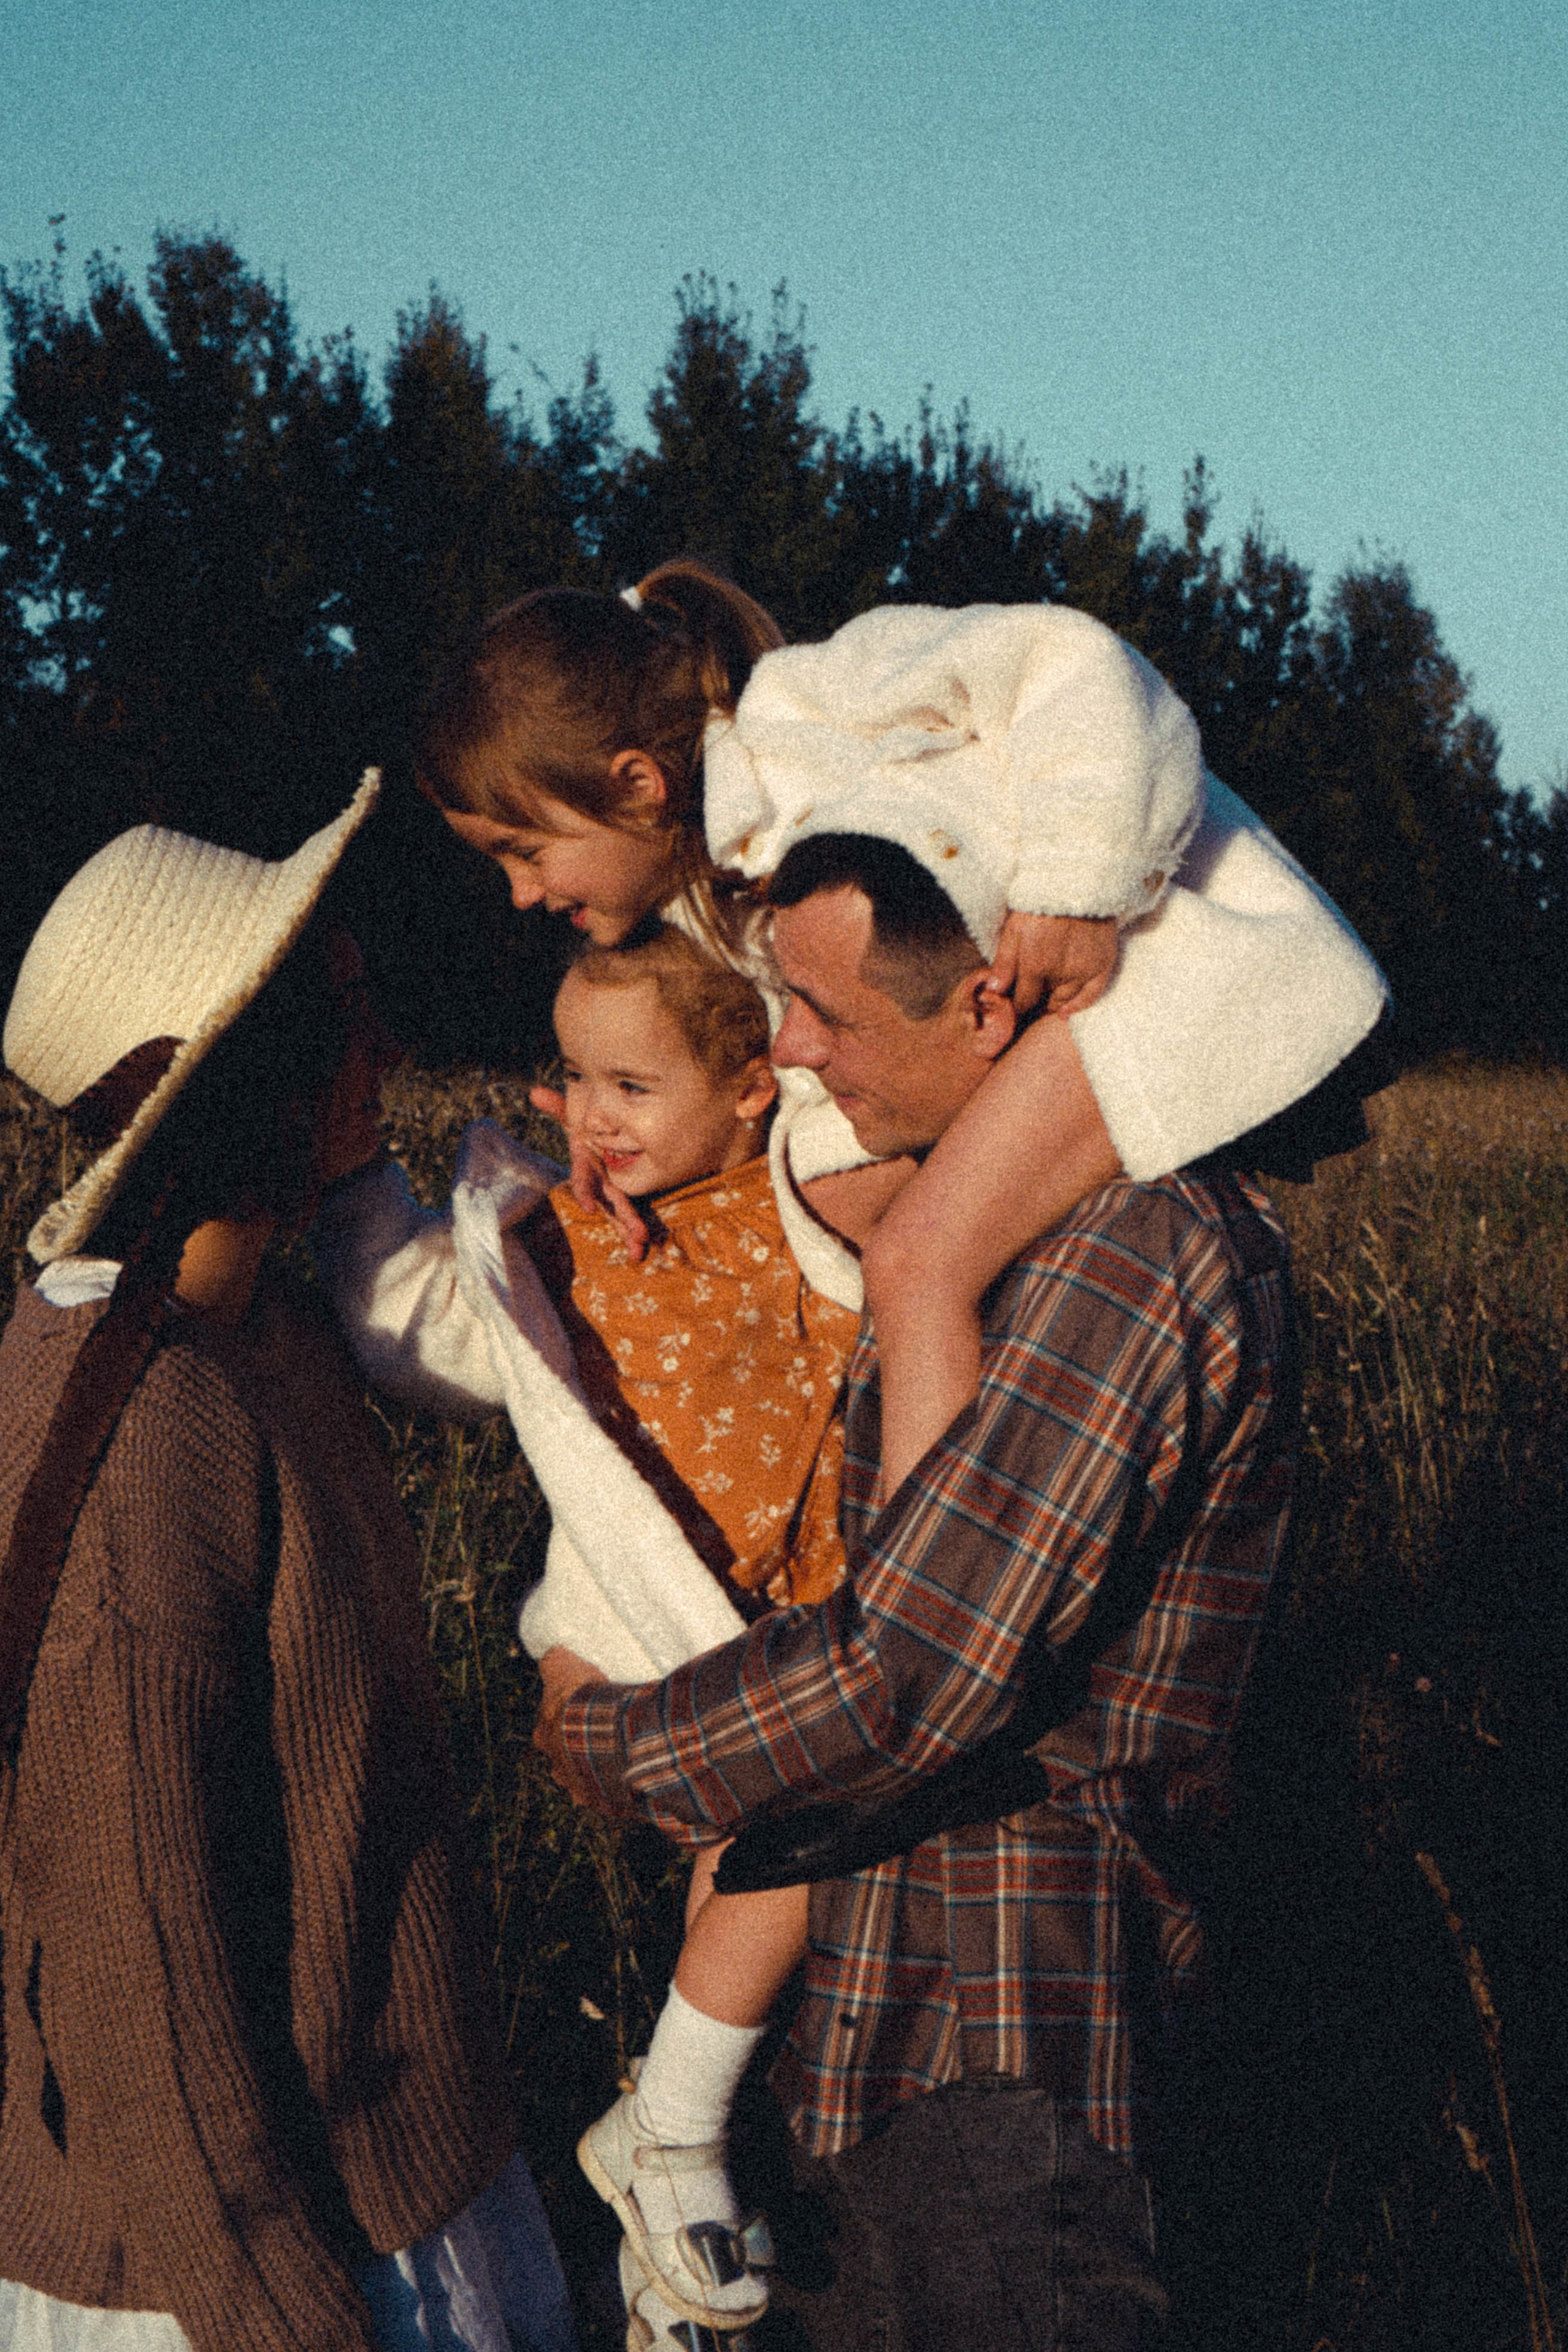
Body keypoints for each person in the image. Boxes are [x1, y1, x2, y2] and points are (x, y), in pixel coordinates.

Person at [533, 829, 1302, 2352]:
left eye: (823, 1013)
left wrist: (608, 1741)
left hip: (1007, 2044)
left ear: (988, 1012)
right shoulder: (965, 1216)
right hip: (884, 2028)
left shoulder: (1129, 1250)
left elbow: (912, 1675)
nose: (793, 1050)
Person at [0, 783, 576, 2352]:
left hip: (402, 2187)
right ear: (246, 1072)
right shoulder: (135, 1432)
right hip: (242, 2275)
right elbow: (141, 1975)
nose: (379, 1048)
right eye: (339, 1013)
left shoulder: (261, 1322)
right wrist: (287, 2321)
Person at [317, 924, 862, 2341]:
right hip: (646, 1610)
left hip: (783, 1598)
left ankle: (669, 2254)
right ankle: (668, 2130)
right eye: (570, 1077)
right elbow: (418, 1340)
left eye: (630, 1084)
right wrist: (368, 1185)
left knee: (750, 1893)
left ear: (753, 1084)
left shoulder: (806, 1187)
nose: (589, 1117)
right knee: (789, 1845)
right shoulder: (560, 1233)